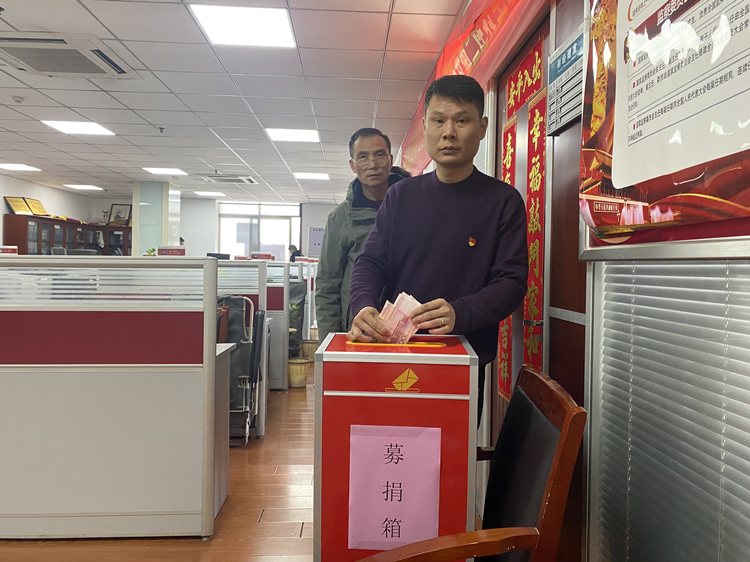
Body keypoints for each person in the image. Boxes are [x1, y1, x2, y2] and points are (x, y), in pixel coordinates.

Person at [347, 75, 528, 417]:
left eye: (461, 120)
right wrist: (363, 305)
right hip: (395, 354)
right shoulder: (400, 196)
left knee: (452, 452)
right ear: (426, 127)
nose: (449, 132)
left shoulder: (503, 201)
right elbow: (370, 262)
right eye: (439, 120)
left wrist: (460, 312)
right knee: (390, 445)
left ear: (482, 127)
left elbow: (511, 282)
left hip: (462, 359)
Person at [315, 127, 409, 344]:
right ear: (353, 165)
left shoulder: (413, 208)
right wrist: (329, 345)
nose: (372, 164)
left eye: (379, 154)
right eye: (363, 157)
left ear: (390, 160)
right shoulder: (339, 219)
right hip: (359, 332)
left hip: (406, 328)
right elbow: (327, 287)